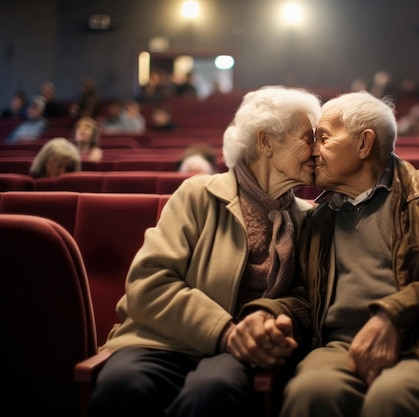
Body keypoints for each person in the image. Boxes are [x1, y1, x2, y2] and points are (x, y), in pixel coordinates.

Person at [88, 85, 323, 417]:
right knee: (123, 384)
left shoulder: (308, 217)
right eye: (307, 138)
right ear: (266, 141)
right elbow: (149, 284)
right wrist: (226, 331)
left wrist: (265, 325)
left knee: (214, 391)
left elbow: (307, 298)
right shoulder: (197, 193)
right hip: (161, 339)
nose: (317, 151)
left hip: (241, 352)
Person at [277, 91, 419, 417]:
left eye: (323, 137)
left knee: (393, 400)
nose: (312, 151)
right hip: (340, 346)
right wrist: (269, 314)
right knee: (311, 393)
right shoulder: (317, 217)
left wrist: (394, 314)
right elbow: (304, 295)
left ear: (364, 144)